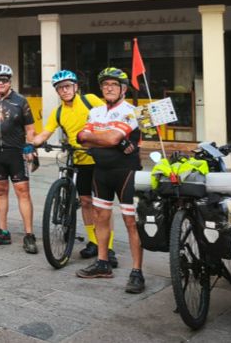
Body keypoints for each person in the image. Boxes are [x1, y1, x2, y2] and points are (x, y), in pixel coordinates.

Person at [31, 70, 117, 267]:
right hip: (78, 160)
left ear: (76, 87)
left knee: (101, 206)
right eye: (60, 88)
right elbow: (45, 132)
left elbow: (110, 116)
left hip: (98, 159)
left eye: (68, 86)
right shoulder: (58, 112)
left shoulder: (90, 100)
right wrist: (32, 144)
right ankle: (94, 242)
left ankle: (109, 247)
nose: (65, 90)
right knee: (86, 202)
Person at [75, 67, 145, 294]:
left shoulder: (131, 111)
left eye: (114, 85)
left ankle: (137, 272)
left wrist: (104, 137)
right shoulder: (95, 111)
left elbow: (113, 136)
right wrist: (111, 140)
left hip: (126, 172)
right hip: (101, 172)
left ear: (123, 89)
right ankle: (103, 263)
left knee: (130, 222)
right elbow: (82, 138)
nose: (109, 88)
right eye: (105, 85)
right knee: (100, 216)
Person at [0, 64, 39, 255]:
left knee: (23, 192)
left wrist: (31, 148)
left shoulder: (20, 101)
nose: (1, 83)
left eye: (4, 80)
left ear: (10, 81)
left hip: (16, 152)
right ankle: (3, 231)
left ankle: (29, 234)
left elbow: (30, 128)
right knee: (0, 191)